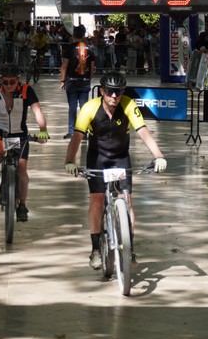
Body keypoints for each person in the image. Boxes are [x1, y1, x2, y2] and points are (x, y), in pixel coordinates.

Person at [63, 72, 167, 271]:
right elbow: (77, 136)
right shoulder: (89, 108)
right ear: (102, 91)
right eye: (110, 91)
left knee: (127, 201)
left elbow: (143, 131)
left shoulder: (128, 104)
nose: (114, 96)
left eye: (118, 92)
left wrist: (158, 156)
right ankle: (95, 249)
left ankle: (130, 247)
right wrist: (70, 161)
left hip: (120, 157)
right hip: (97, 158)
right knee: (96, 200)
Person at [0, 63, 49, 223]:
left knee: (22, 168)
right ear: (1, 81)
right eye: (5, 82)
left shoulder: (27, 90)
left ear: (18, 80)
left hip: (20, 135)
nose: (8, 85)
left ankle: (22, 205)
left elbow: (37, 111)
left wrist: (43, 130)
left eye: (12, 81)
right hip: (0, 133)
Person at [60, 24, 96, 139]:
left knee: (72, 107)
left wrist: (62, 80)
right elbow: (92, 66)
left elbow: (64, 66)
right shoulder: (89, 48)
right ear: (83, 35)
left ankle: (71, 131)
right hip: (85, 80)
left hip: (72, 81)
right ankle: (83, 132)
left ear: (73, 35)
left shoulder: (69, 48)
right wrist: (89, 79)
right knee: (84, 107)